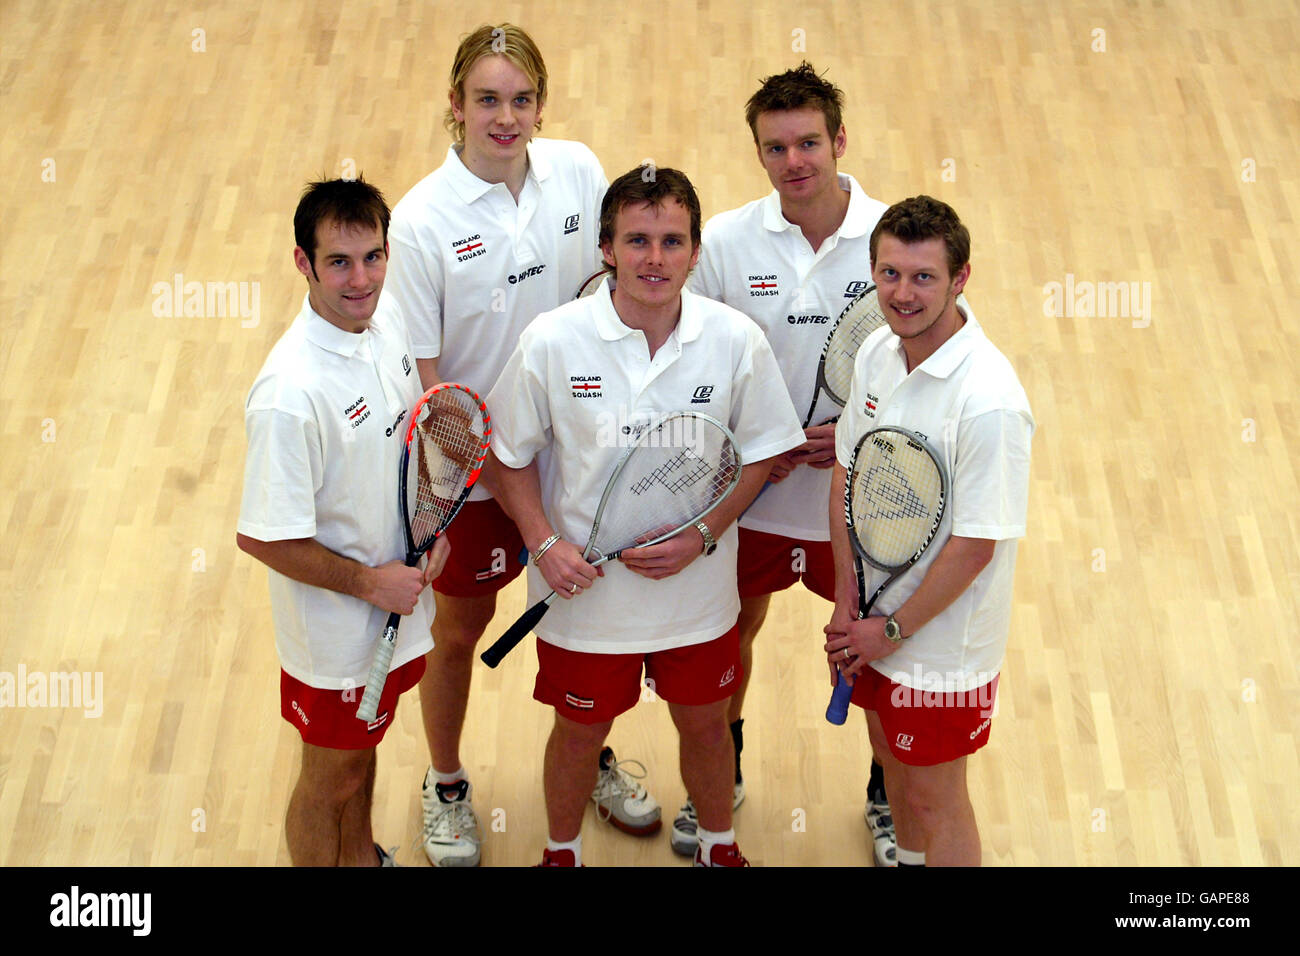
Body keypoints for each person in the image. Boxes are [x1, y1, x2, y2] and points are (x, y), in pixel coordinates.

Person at [383, 23, 659, 867]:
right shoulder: (423, 223)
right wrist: (511, 490)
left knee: (582, 631)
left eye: (521, 99)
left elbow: (611, 285)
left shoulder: (576, 170)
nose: (505, 117)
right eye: (487, 100)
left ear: (541, 105)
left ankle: (588, 758)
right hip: (468, 475)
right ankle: (445, 781)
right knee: (458, 630)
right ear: (455, 107)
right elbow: (432, 389)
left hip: (572, 457)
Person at [483, 166, 805, 866]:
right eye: (637, 240)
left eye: (671, 241)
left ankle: (719, 848)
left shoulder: (734, 340)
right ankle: (559, 854)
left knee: (708, 728)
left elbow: (763, 454)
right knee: (577, 732)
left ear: (695, 252)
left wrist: (704, 535)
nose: (654, 259)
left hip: (699, 596)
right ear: (606, 248)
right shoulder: (552, 340)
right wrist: (542, 544)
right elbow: (502, 456)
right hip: (583, 602)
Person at [685, 61, 900, 864]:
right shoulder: (729, 243)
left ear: (840, 140)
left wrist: (855, 425)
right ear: (759, 155)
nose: (795, 161)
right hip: (756, 501)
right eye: (776, 148)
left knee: (870, 650)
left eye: (809, 142)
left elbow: (936, 352)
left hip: (863, 506)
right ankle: (724, 770)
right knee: (730, 635)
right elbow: (687, 351)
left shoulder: (893, 236)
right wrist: (747, 439)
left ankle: (888, 794)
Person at [236, 177, 450, 866]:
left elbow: (406, 441)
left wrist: (429, 530)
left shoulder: (382, 330)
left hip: (394, 603)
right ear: (303, 262)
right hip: (335, 636)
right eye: (338, 262)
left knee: (362, 756)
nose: (361, 280)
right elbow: (262, 536)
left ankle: (362, 859)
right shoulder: (289, 393)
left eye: (373, 257)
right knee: (330, 778)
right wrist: (369, 585)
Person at [824, 195, 1034, 866]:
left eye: (923, 278)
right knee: (895, 774)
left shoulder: (989, 400)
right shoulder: (880, 357)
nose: (903, 293)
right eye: (890, 274)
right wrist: (846, 597)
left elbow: (976, 544)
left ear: (961, 278)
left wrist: (892, 628)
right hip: (878, 621)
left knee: (933, 801)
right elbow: (845, 471)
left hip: (942, 648)